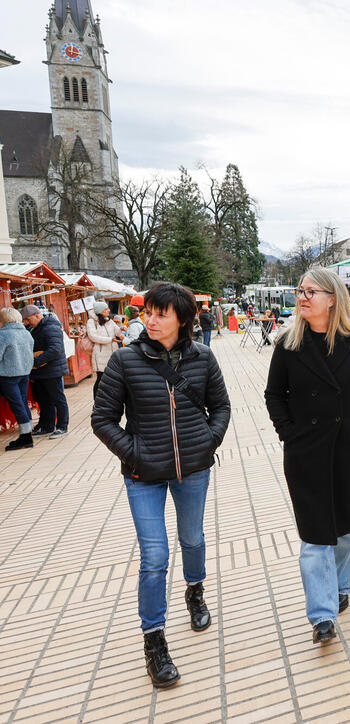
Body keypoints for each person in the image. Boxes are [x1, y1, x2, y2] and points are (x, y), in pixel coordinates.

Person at [91, 283, 231, 688]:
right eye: (148, 312)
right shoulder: (124, 361)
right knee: (154, 556)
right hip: (142, 475)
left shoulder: (203, 358)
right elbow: (102, 419)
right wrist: (135, 454)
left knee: (193, 538)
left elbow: (221, 406)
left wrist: (207, 441)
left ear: (182, 319)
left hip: (193, 469)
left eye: (160, 314)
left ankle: (195, 591)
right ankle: (154, 640)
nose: (150, 320)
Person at [264, 268, 350, 645]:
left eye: (310, 291)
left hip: (349, 448)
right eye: (299, 291)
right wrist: (289, 432)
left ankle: (339, 586)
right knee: (316, 535)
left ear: (332, 298)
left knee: (347, 528)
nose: (302, 297)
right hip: (306, 452)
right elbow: (274, 395)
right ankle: (322, 615)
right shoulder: (288, 343)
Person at [22, 305, 70, 439]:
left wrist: (35, 363)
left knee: (57, 399)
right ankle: (47, 426)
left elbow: (55, 349)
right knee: (43, 400)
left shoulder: (51, 327)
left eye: (27, 319)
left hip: (51, 370)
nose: (26, 323)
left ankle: (62, 426)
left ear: (37, 316)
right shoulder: (34, 328)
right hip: (40, 372)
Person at [0, 307, 35, 451]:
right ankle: (28, 432)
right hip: (24, 373)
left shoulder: (3, 335)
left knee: (17, 404)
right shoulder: (26, 333)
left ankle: (26, 437)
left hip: (8, 375)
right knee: (22, 402)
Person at [86, 301, 122, 398]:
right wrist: (110, 340)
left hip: (113, 353)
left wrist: (121, 329)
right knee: (101, 379)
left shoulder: (109, 320)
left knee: (112, 378)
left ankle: (108, 400)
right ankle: (97, 402)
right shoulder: (92, 321)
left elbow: (116, 331)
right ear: (100, 311)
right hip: (100, 354)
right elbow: (93, 336)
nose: (108, 310)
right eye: (106, 309)